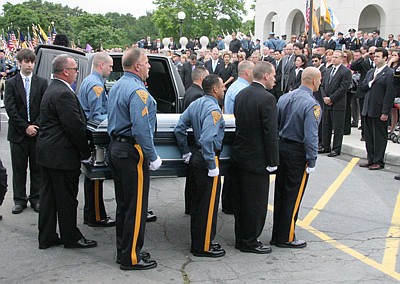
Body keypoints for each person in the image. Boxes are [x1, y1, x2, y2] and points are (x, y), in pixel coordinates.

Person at [107, 48, 161, 270]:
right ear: (137, 66)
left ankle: (125, 250)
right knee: (136, 207)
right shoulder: (138, 92)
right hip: (131, 151)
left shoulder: (118, 85)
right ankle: (131, 257)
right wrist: (152, 155)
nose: (149, 66)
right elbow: (140, 129)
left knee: (124, 205)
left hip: (116, 148)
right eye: (147, 62)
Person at [37, 54, 96, 250]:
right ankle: (71, 237)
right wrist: (86, 152)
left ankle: (47, 236)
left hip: (48, 153)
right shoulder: (63, 93)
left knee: (48, 197)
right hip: (61, 155)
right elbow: (74, 127)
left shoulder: (52, 88)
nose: (77, 73)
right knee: (66, 198)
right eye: (74, 70)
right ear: (65, 71)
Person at [174, 74, 226, 258]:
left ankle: (200, 241)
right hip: (207, 161)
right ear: (215, 89)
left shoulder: (196, 104)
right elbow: (206, 139)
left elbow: (179, 128)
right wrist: (212, 164)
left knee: (197, 204)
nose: (224, 89)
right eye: (222, 86)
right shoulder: (214, 110)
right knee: (208, 205)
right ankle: (204, 245)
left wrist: (185, 152)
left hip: (195, 157)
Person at [230, 61, 279, 254]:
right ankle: (249, 241)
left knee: (242, 201)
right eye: (274, 75)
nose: (275, 79)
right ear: (265, 76)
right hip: (257, 159)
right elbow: (270, 133)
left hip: (241, 155)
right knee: (256, 203)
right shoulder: (267, 99)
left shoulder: (241, 94)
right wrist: (273, 161)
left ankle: (241, 238)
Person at [272, 67, 322, 248]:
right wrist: (312, 158)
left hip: (282, 147)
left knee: (281, 192)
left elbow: (275, 125)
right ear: (314, 81)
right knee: (293, 195)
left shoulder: (285, 97)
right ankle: (286, 236)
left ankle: (278, 233)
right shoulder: (312, 104)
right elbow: (311, 135)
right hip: (297, 152)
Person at [4, 48, 48, 214]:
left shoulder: (41, 82)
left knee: (37, 168)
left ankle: (36, 198)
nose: (29, 65)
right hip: (18, 133)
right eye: (26, 61)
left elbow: (44, 107)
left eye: (32, 62)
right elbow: (10, 108)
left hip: (36, 132)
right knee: (19, 168)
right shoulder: (11, 83)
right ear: (20, 62)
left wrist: (35, 125)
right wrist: (25, 127)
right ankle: (19, 199)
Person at [78, 52, 116, 227]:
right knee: (95, 176)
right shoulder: (96, 85)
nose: (111, 69)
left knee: (92, 176)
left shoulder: (91, 81)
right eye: (110, 66)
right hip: (94, 136)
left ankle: (91, 214)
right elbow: (97, 116)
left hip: (88, 135)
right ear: (101, 65)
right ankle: (96, 216)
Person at [359, 48, 396, 170]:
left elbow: (389, 94)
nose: (375, 58)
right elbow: (363, 87)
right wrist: (370, 83)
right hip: (368, 109)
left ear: (385, 58)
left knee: (379, 136)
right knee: (369, 136)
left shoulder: (390, 73)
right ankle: (371, 159)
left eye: (378, 56)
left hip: (379, 110)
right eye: (374, 56)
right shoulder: (371, 72)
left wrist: (385, 112)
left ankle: (378, 161)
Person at [181, 66, 209, 215]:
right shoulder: (198, 95)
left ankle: (189, 206)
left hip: (191, 138)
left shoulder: (189, 91)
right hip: (195, 140)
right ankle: (193, 207)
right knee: (195, 181)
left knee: (191, 179)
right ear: (202, 79)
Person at [319, 51, 352, 157]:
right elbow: (322, 85)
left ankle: (336, 149)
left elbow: (343, 87)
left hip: (338, 103)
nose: (333, 59)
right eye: (332, 57)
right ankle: (325, 146)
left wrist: (331, 98)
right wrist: (324, 97)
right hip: (326, 102)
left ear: (342, 59)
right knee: (326, 125)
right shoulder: (328, 71)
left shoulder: (345, 71)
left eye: (336, 57)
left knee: (337, 127)